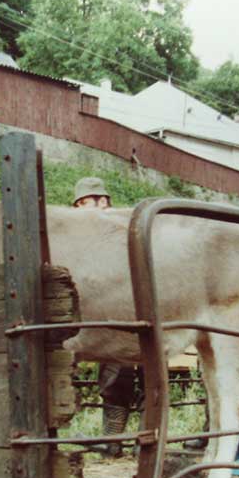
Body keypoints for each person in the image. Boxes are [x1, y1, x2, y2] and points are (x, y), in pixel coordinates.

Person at [73, 177, 139, 456]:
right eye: (76, 205)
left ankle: (146, 442)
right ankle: (113, 440)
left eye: (83, 203)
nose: (78, 211)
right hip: (113, 317)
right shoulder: (86, 236)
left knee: (151, 378)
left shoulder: (127, 226)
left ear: (103, 201)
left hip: (143, 308)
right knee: (113, 376)